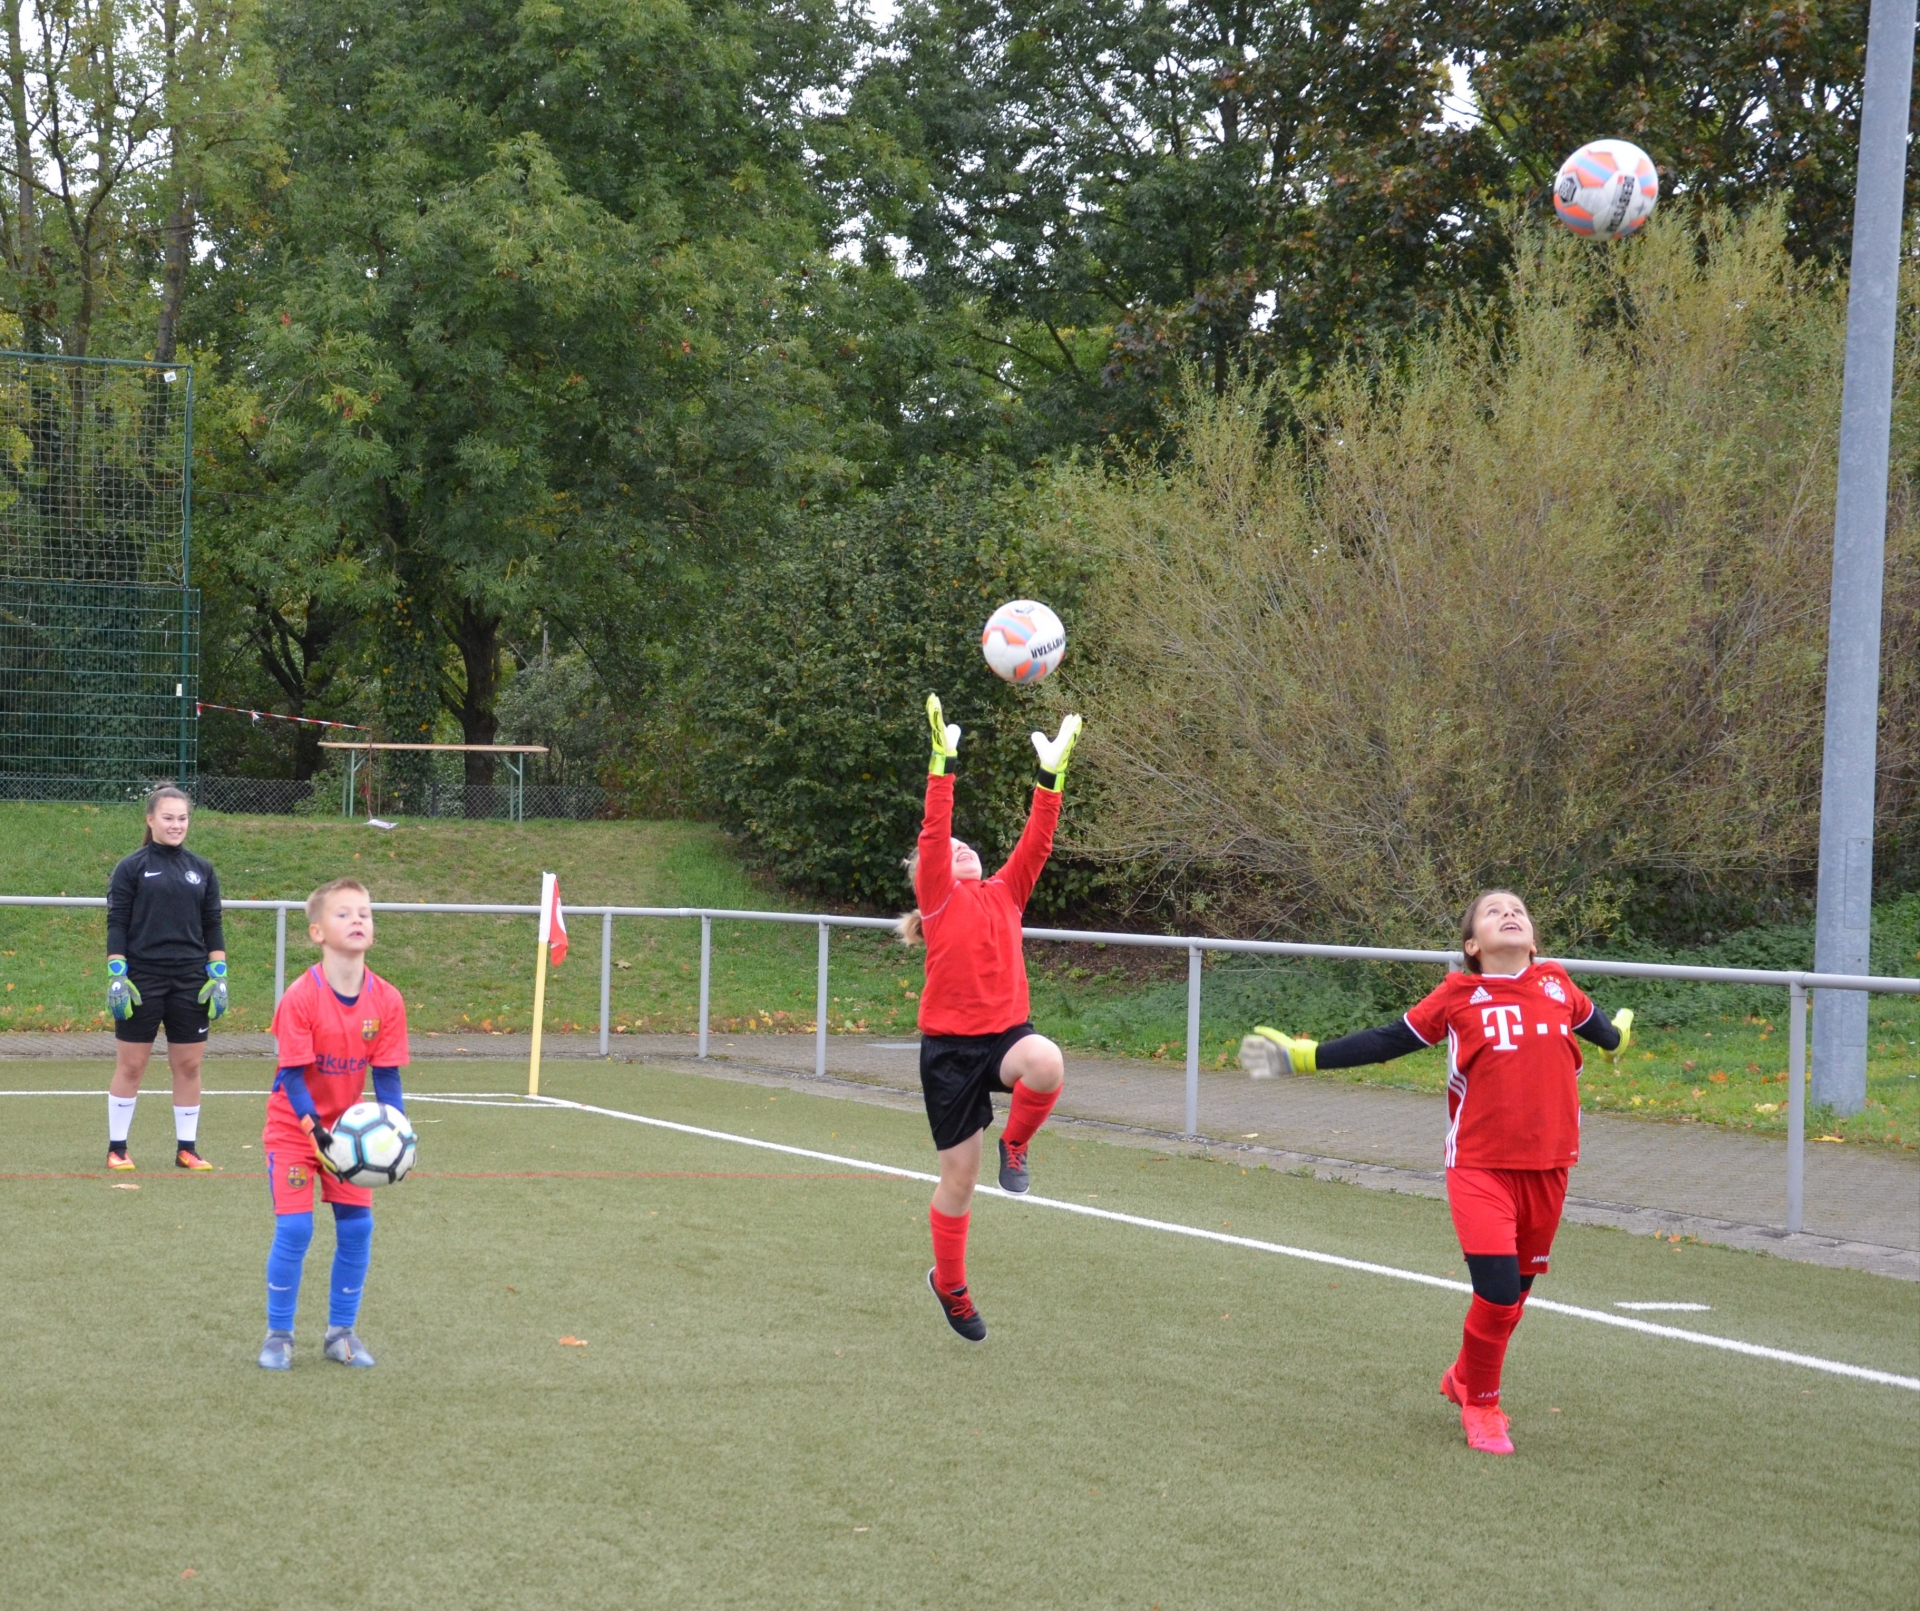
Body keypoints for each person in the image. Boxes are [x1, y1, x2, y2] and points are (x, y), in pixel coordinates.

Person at [1240, 890, 1634, 1455]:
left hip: (1551, 1168)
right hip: (1480, 1167)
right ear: (1472, 945)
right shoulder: (1457, 996)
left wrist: (1619, 1038)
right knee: (1497, 1295)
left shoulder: (1557, 985)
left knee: (1515, 1301)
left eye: (1518, 910)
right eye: (1493, 911)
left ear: (1533, 940)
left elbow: (1604, 1032)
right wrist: (1306, 1056)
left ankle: (1464, 1377)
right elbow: (1387, 1040)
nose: (1509, 914)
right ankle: (1482, 1407)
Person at [901, 693, 1082, 1342]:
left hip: (1004, 1039)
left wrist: (1051, 776)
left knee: (1047, 1061)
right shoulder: (940, 899)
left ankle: (1018, 1142)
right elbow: (933, 831)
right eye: (949, 848)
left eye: (964, 844)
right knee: (959, 1180)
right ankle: (949, 1285)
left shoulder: (1005, 890)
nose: (959, 848)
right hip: (950, 1054)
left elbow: (1037, 843)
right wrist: (942, 765)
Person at [258, 878, 409, 1371]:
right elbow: (291, 1076)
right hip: (294, 1128)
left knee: (358, 1228)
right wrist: (313, 1132)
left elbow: (387, 1075)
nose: (357, 920)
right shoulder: (301, 996)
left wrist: (396, 1133)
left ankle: (340, 1333)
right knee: (295, 1228)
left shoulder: (387, 999)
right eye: (343, 914)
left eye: (364, 912)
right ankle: (279, 1336)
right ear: (317, 932)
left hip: (349, 1134)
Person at [103, 783, 229, 1171]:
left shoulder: (202, 869)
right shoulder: (131, 867)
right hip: (142, 979)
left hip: (191, 980)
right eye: (168, 817)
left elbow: (213, 925)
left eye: (183, 818)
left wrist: (219, 975)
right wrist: (117, 975)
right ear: (150, 819)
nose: (176, 825)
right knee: (132, 1066)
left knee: (188, 1066)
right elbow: (117, 922)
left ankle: (186, 1149)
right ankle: (117, 1149)